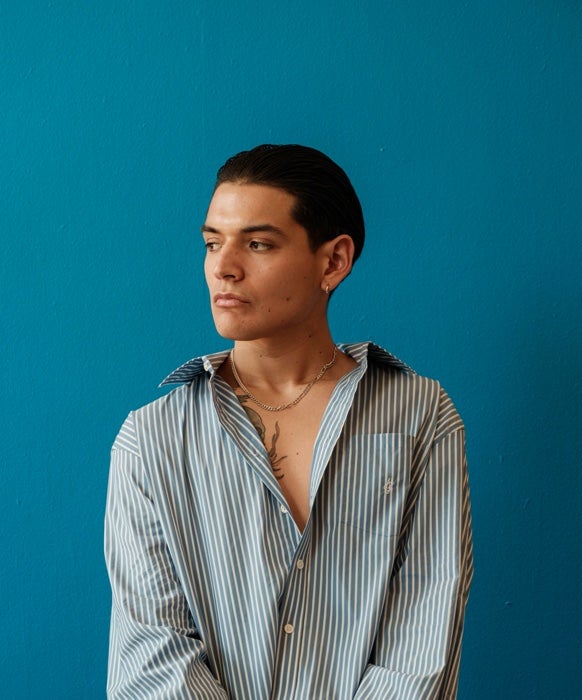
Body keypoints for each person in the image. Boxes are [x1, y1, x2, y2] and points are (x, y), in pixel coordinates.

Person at [104, 144, 473, 698]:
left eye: (258, 244)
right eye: (212, 243)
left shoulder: (420, 416)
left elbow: (426, 629)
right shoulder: (151, 438)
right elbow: (152, 658)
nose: (224, 267)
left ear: (334, 262)